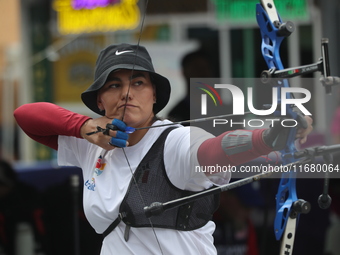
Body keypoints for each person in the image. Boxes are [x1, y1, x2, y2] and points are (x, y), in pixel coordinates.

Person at [14, 43, 313, 255]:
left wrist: (268, 137)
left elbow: (212, 151)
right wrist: (83, 127)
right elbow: (26, 116)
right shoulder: (91, 145)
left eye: (138, 82)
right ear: (100, 100)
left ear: (154, 94)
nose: (127, 92)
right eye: (114, 85)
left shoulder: (175, 141)